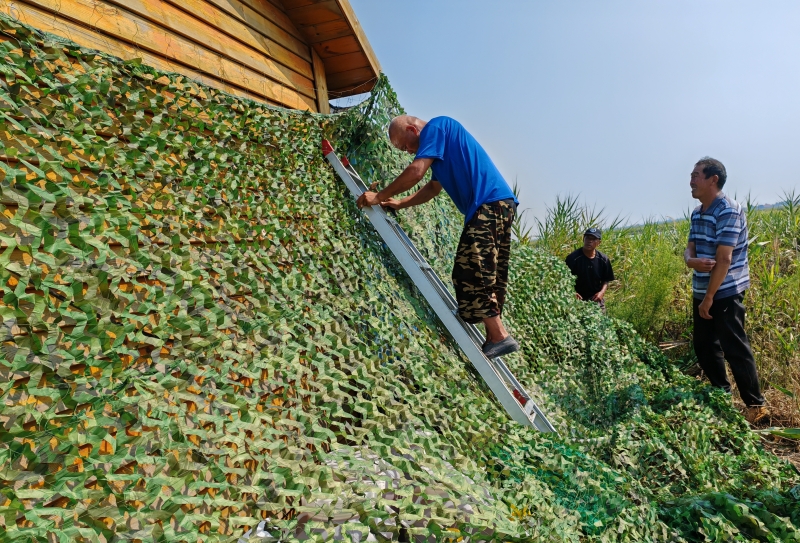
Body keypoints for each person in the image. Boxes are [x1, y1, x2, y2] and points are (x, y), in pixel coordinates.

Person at [355, 115, 520, 359]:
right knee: (485, 269)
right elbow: (433, 188)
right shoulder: (442, 146)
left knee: (472, 268)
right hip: (499, 205)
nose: (408, 152)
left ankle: (500, 336)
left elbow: (416, 171)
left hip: (489, 204)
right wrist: (400, 203)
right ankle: (493, 337)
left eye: (405, 146)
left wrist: (378, 196)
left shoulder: (436, 127)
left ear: (413, 130)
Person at [684, 157, 769, 424]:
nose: (691, 181)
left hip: (726, 290)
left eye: (696, 175)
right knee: (704, 345)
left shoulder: (728, 210)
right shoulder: (697, 212)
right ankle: (721, 394)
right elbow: (690, 247)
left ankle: (756, 406)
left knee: (734, 347)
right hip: (702, 289)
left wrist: (709, 298)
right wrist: (690, 261)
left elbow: (724, 259)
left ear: (713, 179)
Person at [565, 228, 614, 312]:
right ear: (583, 239)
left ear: (599, 242)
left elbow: (606, 280)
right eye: (587, 238)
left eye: (593, 239)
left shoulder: (603, 259)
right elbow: (564, 278)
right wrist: (572, 292)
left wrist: (601, 293)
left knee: (601, 320)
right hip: (576, 299)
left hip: (596, 298)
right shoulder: (573, 258)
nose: (589, 241)